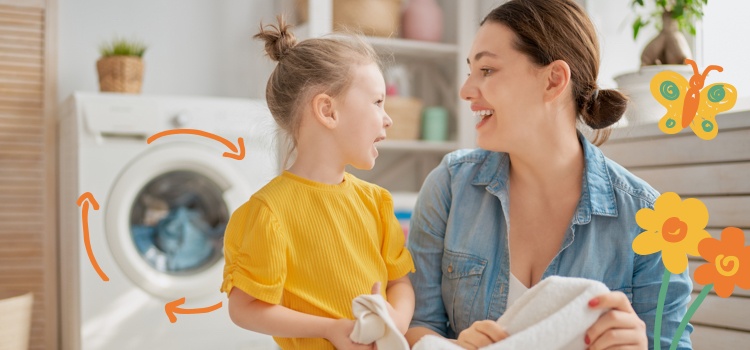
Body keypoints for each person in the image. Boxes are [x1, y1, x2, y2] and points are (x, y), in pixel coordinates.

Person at [404, 0, 692, 349]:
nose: (465, 91)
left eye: (487, 71)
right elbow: (417, 326)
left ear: (553, 80)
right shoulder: (450, 185)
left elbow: (671, 343)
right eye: (471, 71)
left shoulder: (650, 218)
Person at [220, 16, 415, 350]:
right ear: (328, 111)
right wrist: (330, 329)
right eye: (377, 102)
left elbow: (401, 284)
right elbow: (245, 308)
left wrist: (393, 320)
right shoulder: (270, 213)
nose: (388, 117)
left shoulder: (377, 202)